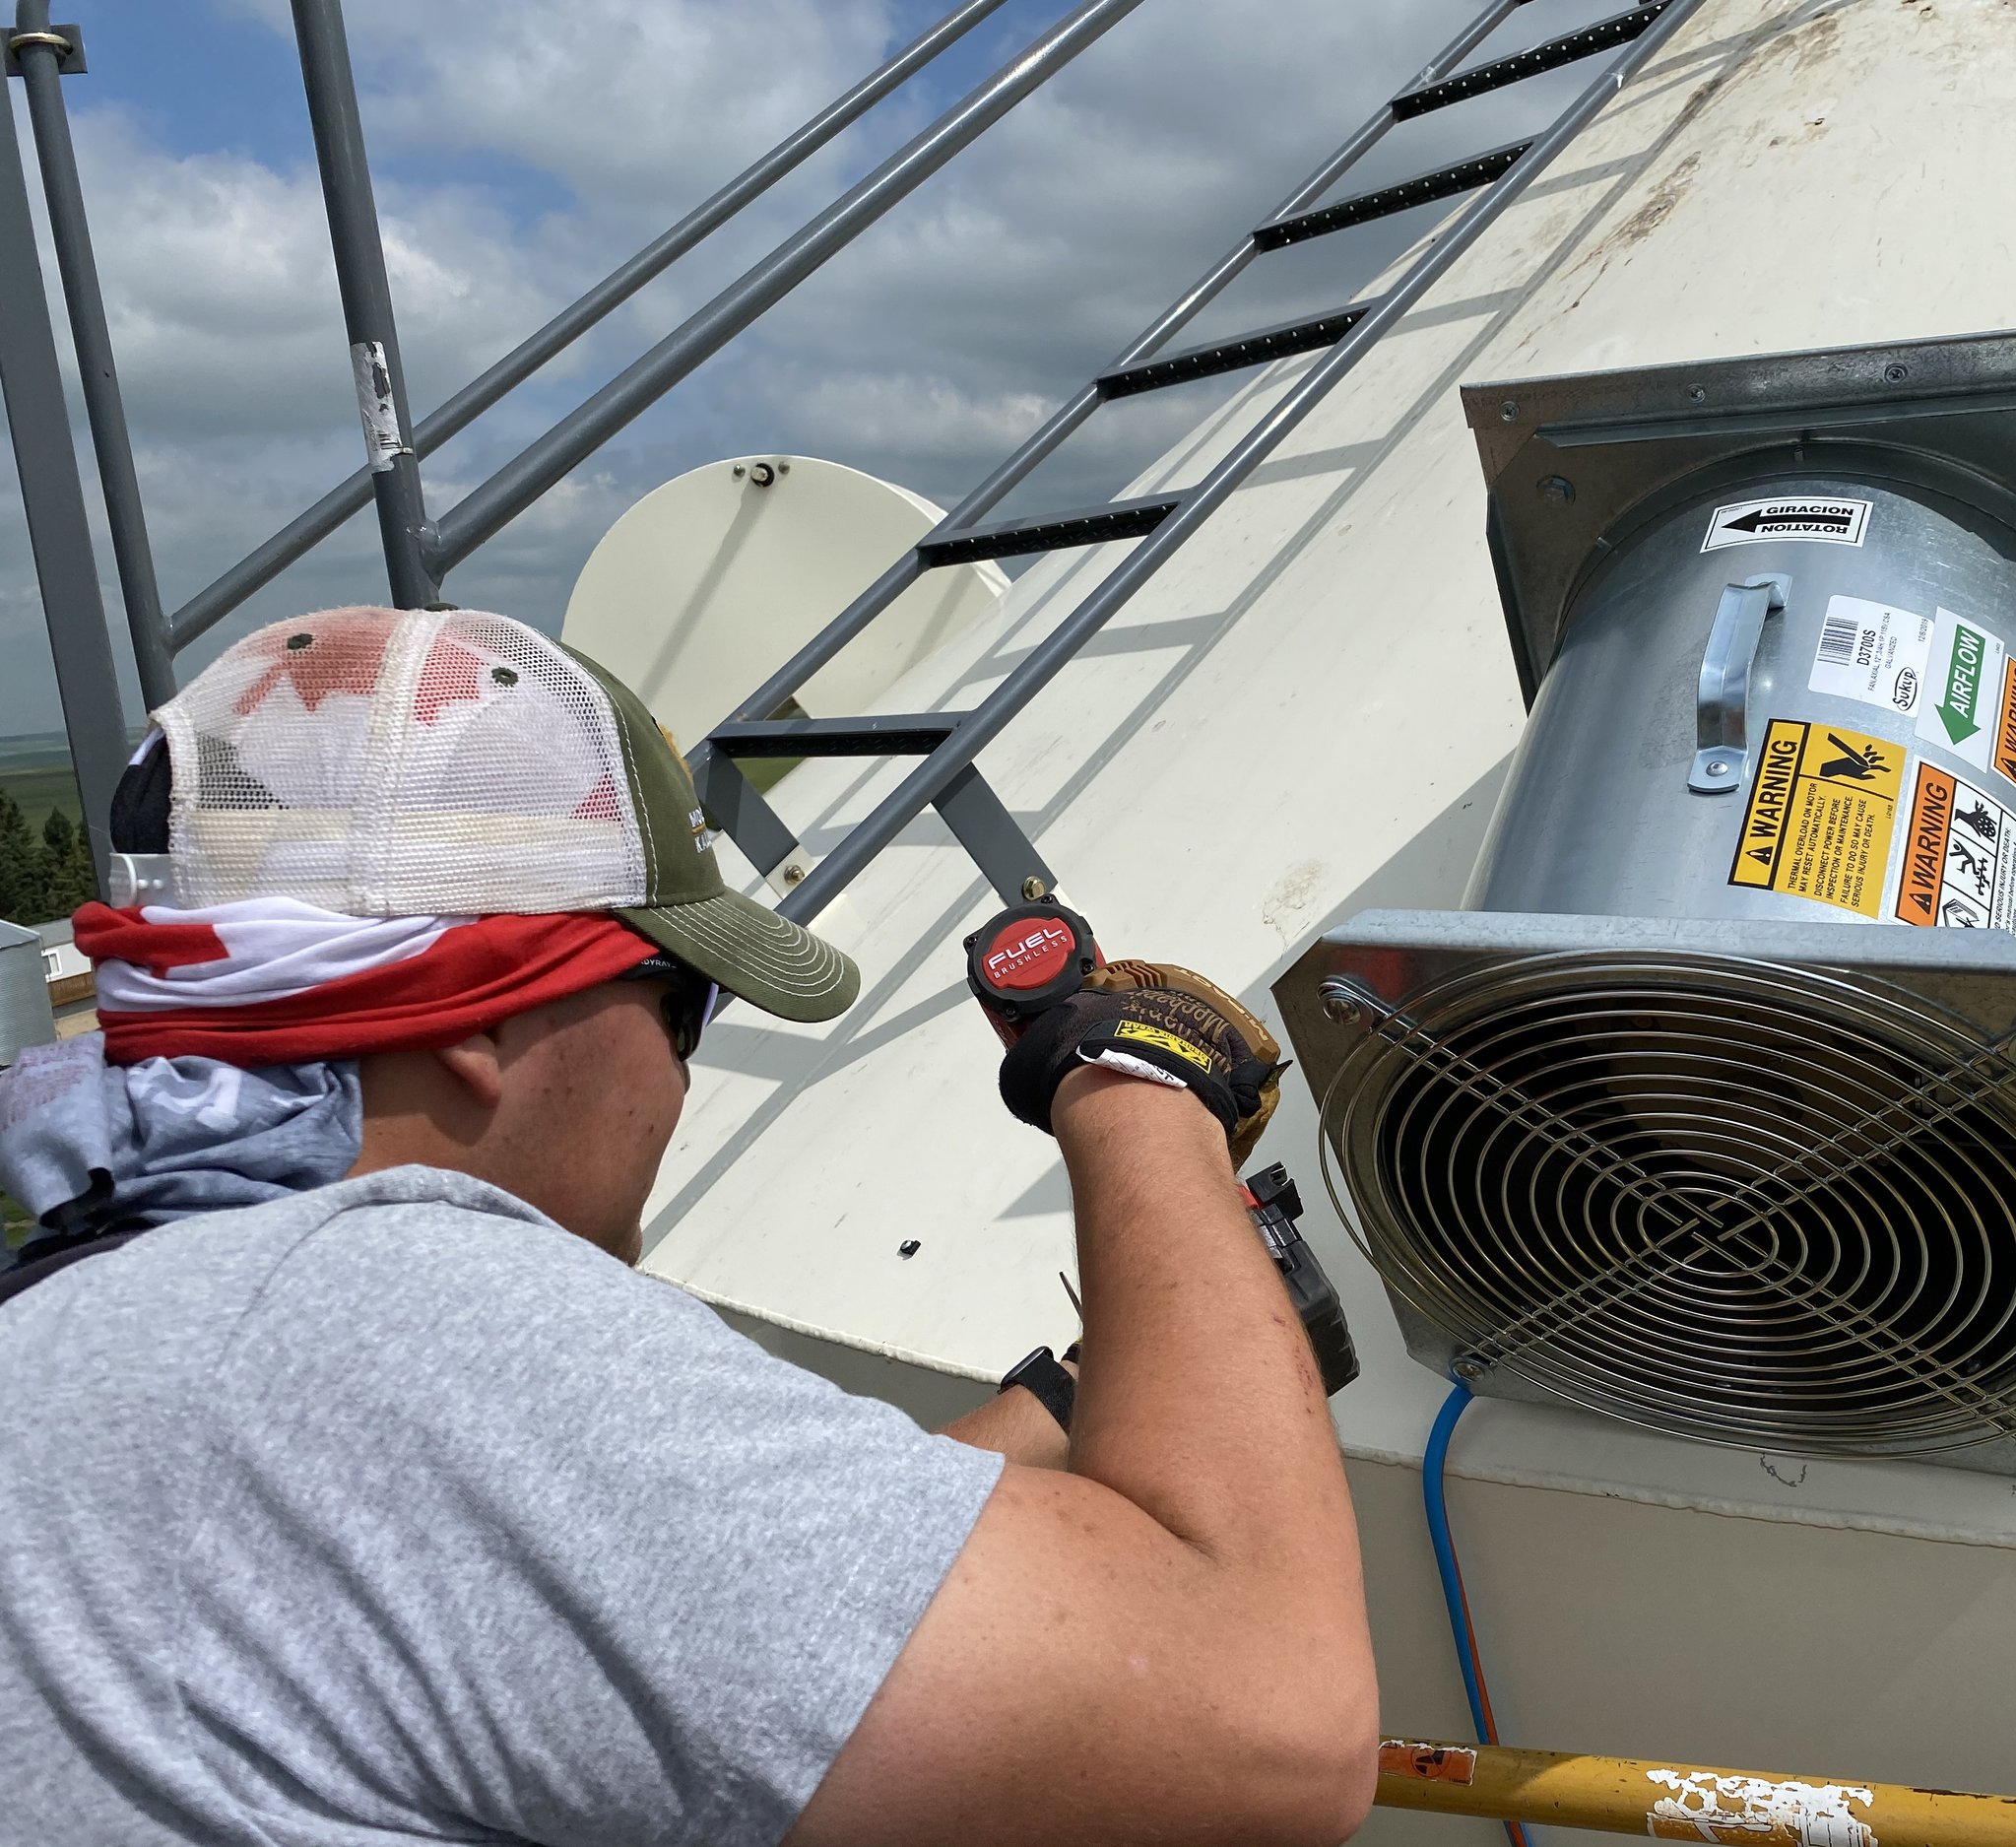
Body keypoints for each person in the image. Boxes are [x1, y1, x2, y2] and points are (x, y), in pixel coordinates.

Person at [0, 607, 1378, 1846]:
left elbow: (674, 1587)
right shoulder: (396, 1317)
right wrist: (1134, 1084)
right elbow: (1273, 1726)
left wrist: (1072, 1401)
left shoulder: (130, 1293)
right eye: (682, 1007)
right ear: (479, 1014)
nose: (681, 1079)